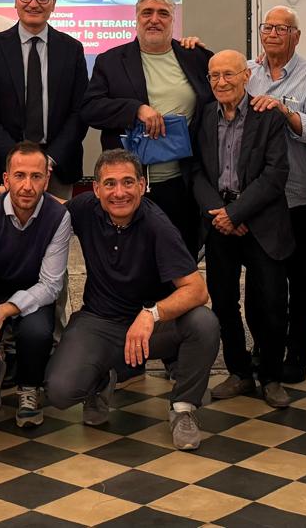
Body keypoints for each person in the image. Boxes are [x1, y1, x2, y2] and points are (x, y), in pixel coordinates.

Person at [44, 150, 220, 451]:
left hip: (150, 330)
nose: (119, 193)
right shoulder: (86, 208)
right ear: (96, 189)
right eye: (110, 184)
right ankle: (101, 381)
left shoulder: (157, 225)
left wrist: (151, 314)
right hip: (98, 322)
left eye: (128, 182)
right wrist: (5, 193)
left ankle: (183, 409)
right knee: (60, 392)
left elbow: (197, 290)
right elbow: (52, 206)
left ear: (142, 185)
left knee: (204, 322)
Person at [193, 50, 293, 408]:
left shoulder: (269, 117)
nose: (221, 82)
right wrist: (220, 214)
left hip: (261, 220)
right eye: (214, 75)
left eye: (229, 75)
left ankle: (271, 376)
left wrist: (236, 213)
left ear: (246, 76)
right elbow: (197, 172)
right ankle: (238, 372)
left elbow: (276, 174)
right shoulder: (203, 116)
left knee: (270, 303)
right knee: (223, 302)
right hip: (219, 222)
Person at [82, 0, 212, 257]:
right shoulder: (111, 60)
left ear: (173, 20)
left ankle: (174, 301)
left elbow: (222, 93)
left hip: (182, 183)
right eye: (147, 13)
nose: (155, 19)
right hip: (129, 186)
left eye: (163, 13)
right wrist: (135, 109)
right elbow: (90, 109)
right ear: (136, 18)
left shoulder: (196, 57)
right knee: (130, 259)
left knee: (178, 256)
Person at [0, 142, 72, 427]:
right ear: (6, 179)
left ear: (47, 179)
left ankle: (29, 387)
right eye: (19, 176)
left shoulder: (59, 218)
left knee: (37, 331)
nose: (27, 186)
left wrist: (7, 309)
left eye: (36, 176)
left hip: (34, 293)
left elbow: (50, 285)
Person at [246, 5, 306, 384]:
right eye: (268, 27)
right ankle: (263, 346)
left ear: (297, 35)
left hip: (298, 196)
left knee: (300, 278)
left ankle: (298, 348)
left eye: (283, 28)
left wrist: (284, 112)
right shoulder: (248, 73)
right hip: (259, 199)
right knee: (263, 280)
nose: (273, 33)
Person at [0, 0, 88, 195]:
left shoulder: (72, 49)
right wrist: (19, 161)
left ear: (53, 3)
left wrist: (50, 160)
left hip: (58, 167)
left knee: (56, 229)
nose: (33, 4)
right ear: (15, 1)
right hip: (6, 167)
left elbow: (80, 113)